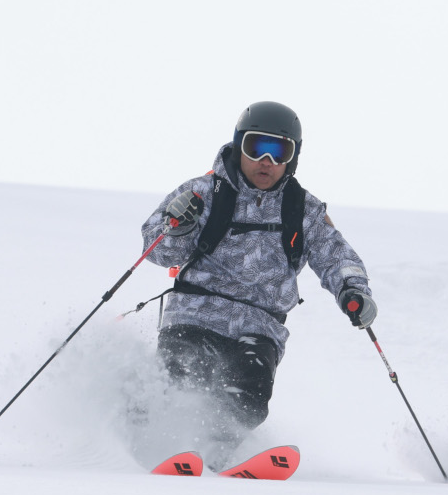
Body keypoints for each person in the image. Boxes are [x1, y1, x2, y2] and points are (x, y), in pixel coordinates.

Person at [139, 101, 376, 443]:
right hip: (195, 315)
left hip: (259, 326)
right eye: (256, 147)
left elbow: (335, 254)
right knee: (180, 373)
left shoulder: (303, 208)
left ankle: (219, 449)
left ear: (292, 158)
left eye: (279, 151)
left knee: (248, 393)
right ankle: (154, 435)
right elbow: (156, 251)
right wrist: (174, 227)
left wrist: (352, 290)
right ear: (239, 147)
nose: (267, 161)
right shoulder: (202, 194)